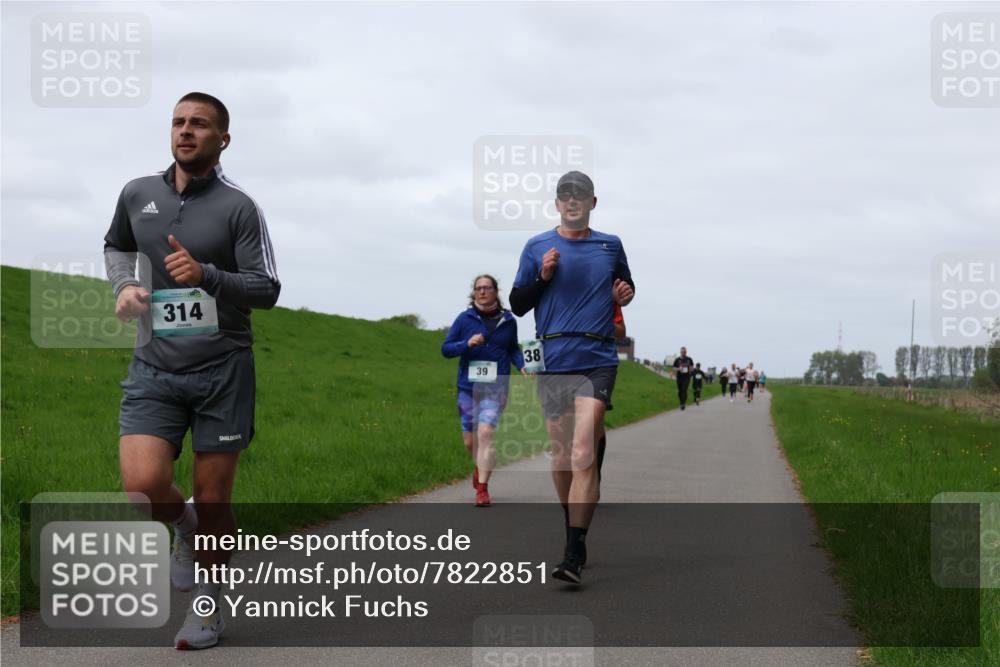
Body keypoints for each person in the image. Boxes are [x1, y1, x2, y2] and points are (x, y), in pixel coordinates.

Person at [104, 92, 280, 650]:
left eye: (199, 124)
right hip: (154, 364)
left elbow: (267, 288)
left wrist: (206, 274)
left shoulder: (239, 207)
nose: (185, 131)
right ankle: (183, 530)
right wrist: (126, 285)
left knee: (215, 501)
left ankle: (206, 609)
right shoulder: (138, 193)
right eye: (178, 122)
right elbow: (116, 245)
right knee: (141, 486)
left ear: (222, 139)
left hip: (222, 368)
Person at [510, 170, 634, 585]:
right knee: (562, 455)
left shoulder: (610, 245)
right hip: (554, 357)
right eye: (565, 196)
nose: (572, 201)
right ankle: (573, 526)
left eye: (579, 196)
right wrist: (541, 276)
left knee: (583, 451)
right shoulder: (537, 246)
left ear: (592, 203)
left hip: (597, 355)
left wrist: (623, 296)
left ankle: (573, 552)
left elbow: (627, 287)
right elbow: (518, 304)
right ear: (557, 203)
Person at [441, 275, 526, 507]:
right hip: (468, 387)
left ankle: (482, 489)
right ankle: (480, 465)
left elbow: (513, 348)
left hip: (496, 387)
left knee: (486, 433)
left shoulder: (508, 321)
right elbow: (446, 349)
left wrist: (521, 365)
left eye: (487, 287)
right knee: (471, 442)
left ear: (496, 291)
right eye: (478, 288)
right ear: (474, 292)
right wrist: (466, 344)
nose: (482, 291)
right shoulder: (464, 319)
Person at [596, 303, 626, 480]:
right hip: (561, 361)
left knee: (594, 421)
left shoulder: (605, 288)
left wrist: (596, 318)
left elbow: (621, 332)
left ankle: (593, 475)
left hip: (597, 364)